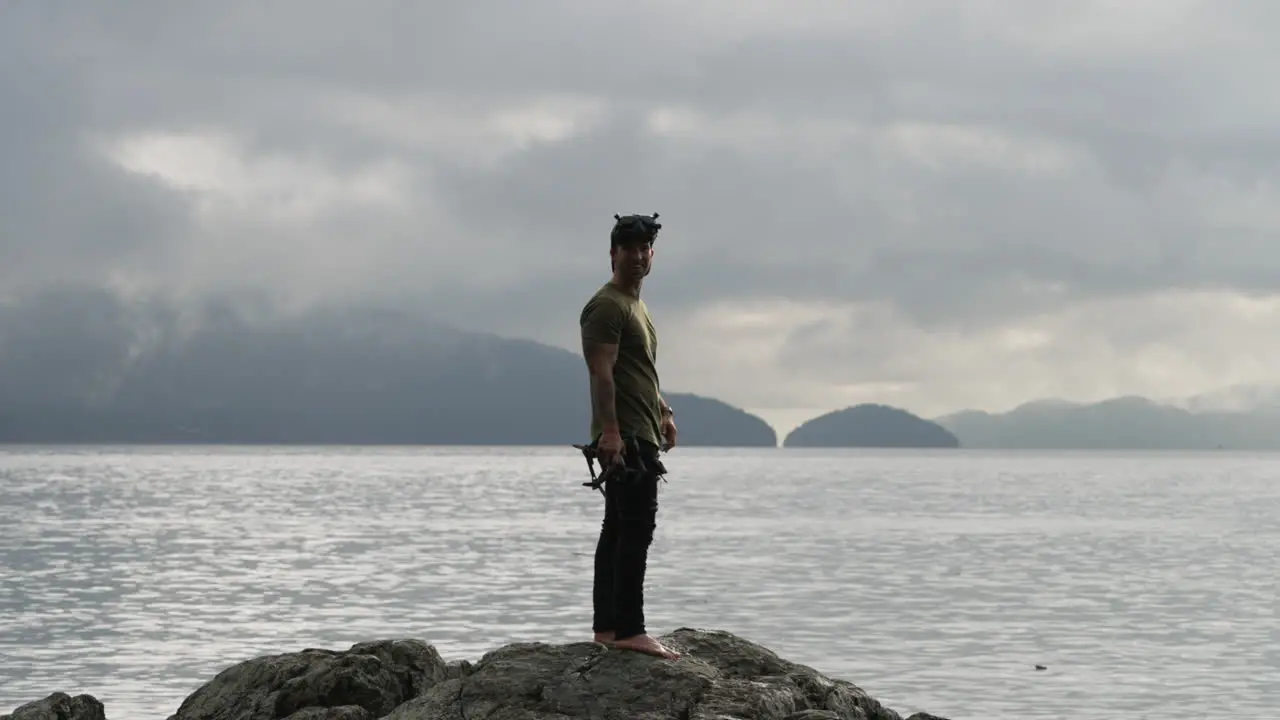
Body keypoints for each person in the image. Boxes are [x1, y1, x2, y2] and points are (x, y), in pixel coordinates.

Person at [578, 212, 681, 661]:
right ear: (613, 253)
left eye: (646, 249)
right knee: (636, 529)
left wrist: (664, 411)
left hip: (642, 428)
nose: (638, 257)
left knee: (618, 529)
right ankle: (630, 630)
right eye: (630, 249)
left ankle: (607, 628)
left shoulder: (637, 306)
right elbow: (601, 374)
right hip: (624, 437)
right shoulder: (607, 305)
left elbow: (641, 372)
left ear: (651, 254)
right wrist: (613, 433)